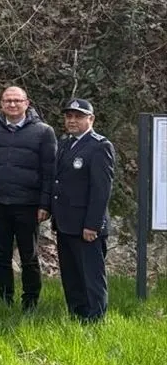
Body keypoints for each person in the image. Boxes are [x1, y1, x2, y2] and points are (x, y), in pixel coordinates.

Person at [0, 85, 56, 310]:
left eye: (17, 100)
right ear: (1, 104)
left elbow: (50, 172)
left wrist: (45, 203)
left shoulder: (44, 132)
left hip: (28, 204)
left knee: (29, 256)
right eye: (8, 101)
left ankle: (31, 301)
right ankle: (4, 300)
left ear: (27, 103)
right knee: (1, 255)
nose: (12, 104)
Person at [51, 99, 114, 322]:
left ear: (91, 119)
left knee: (91, 277)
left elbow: (101, 191)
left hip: (86, 226)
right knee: (72, 275)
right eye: (69, 116)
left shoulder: (99, 146)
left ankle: (95, 320)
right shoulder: (66, 144)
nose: (72, 120)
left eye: (78, 116)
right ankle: (76, 315)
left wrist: (92, 225)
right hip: (66, 222)